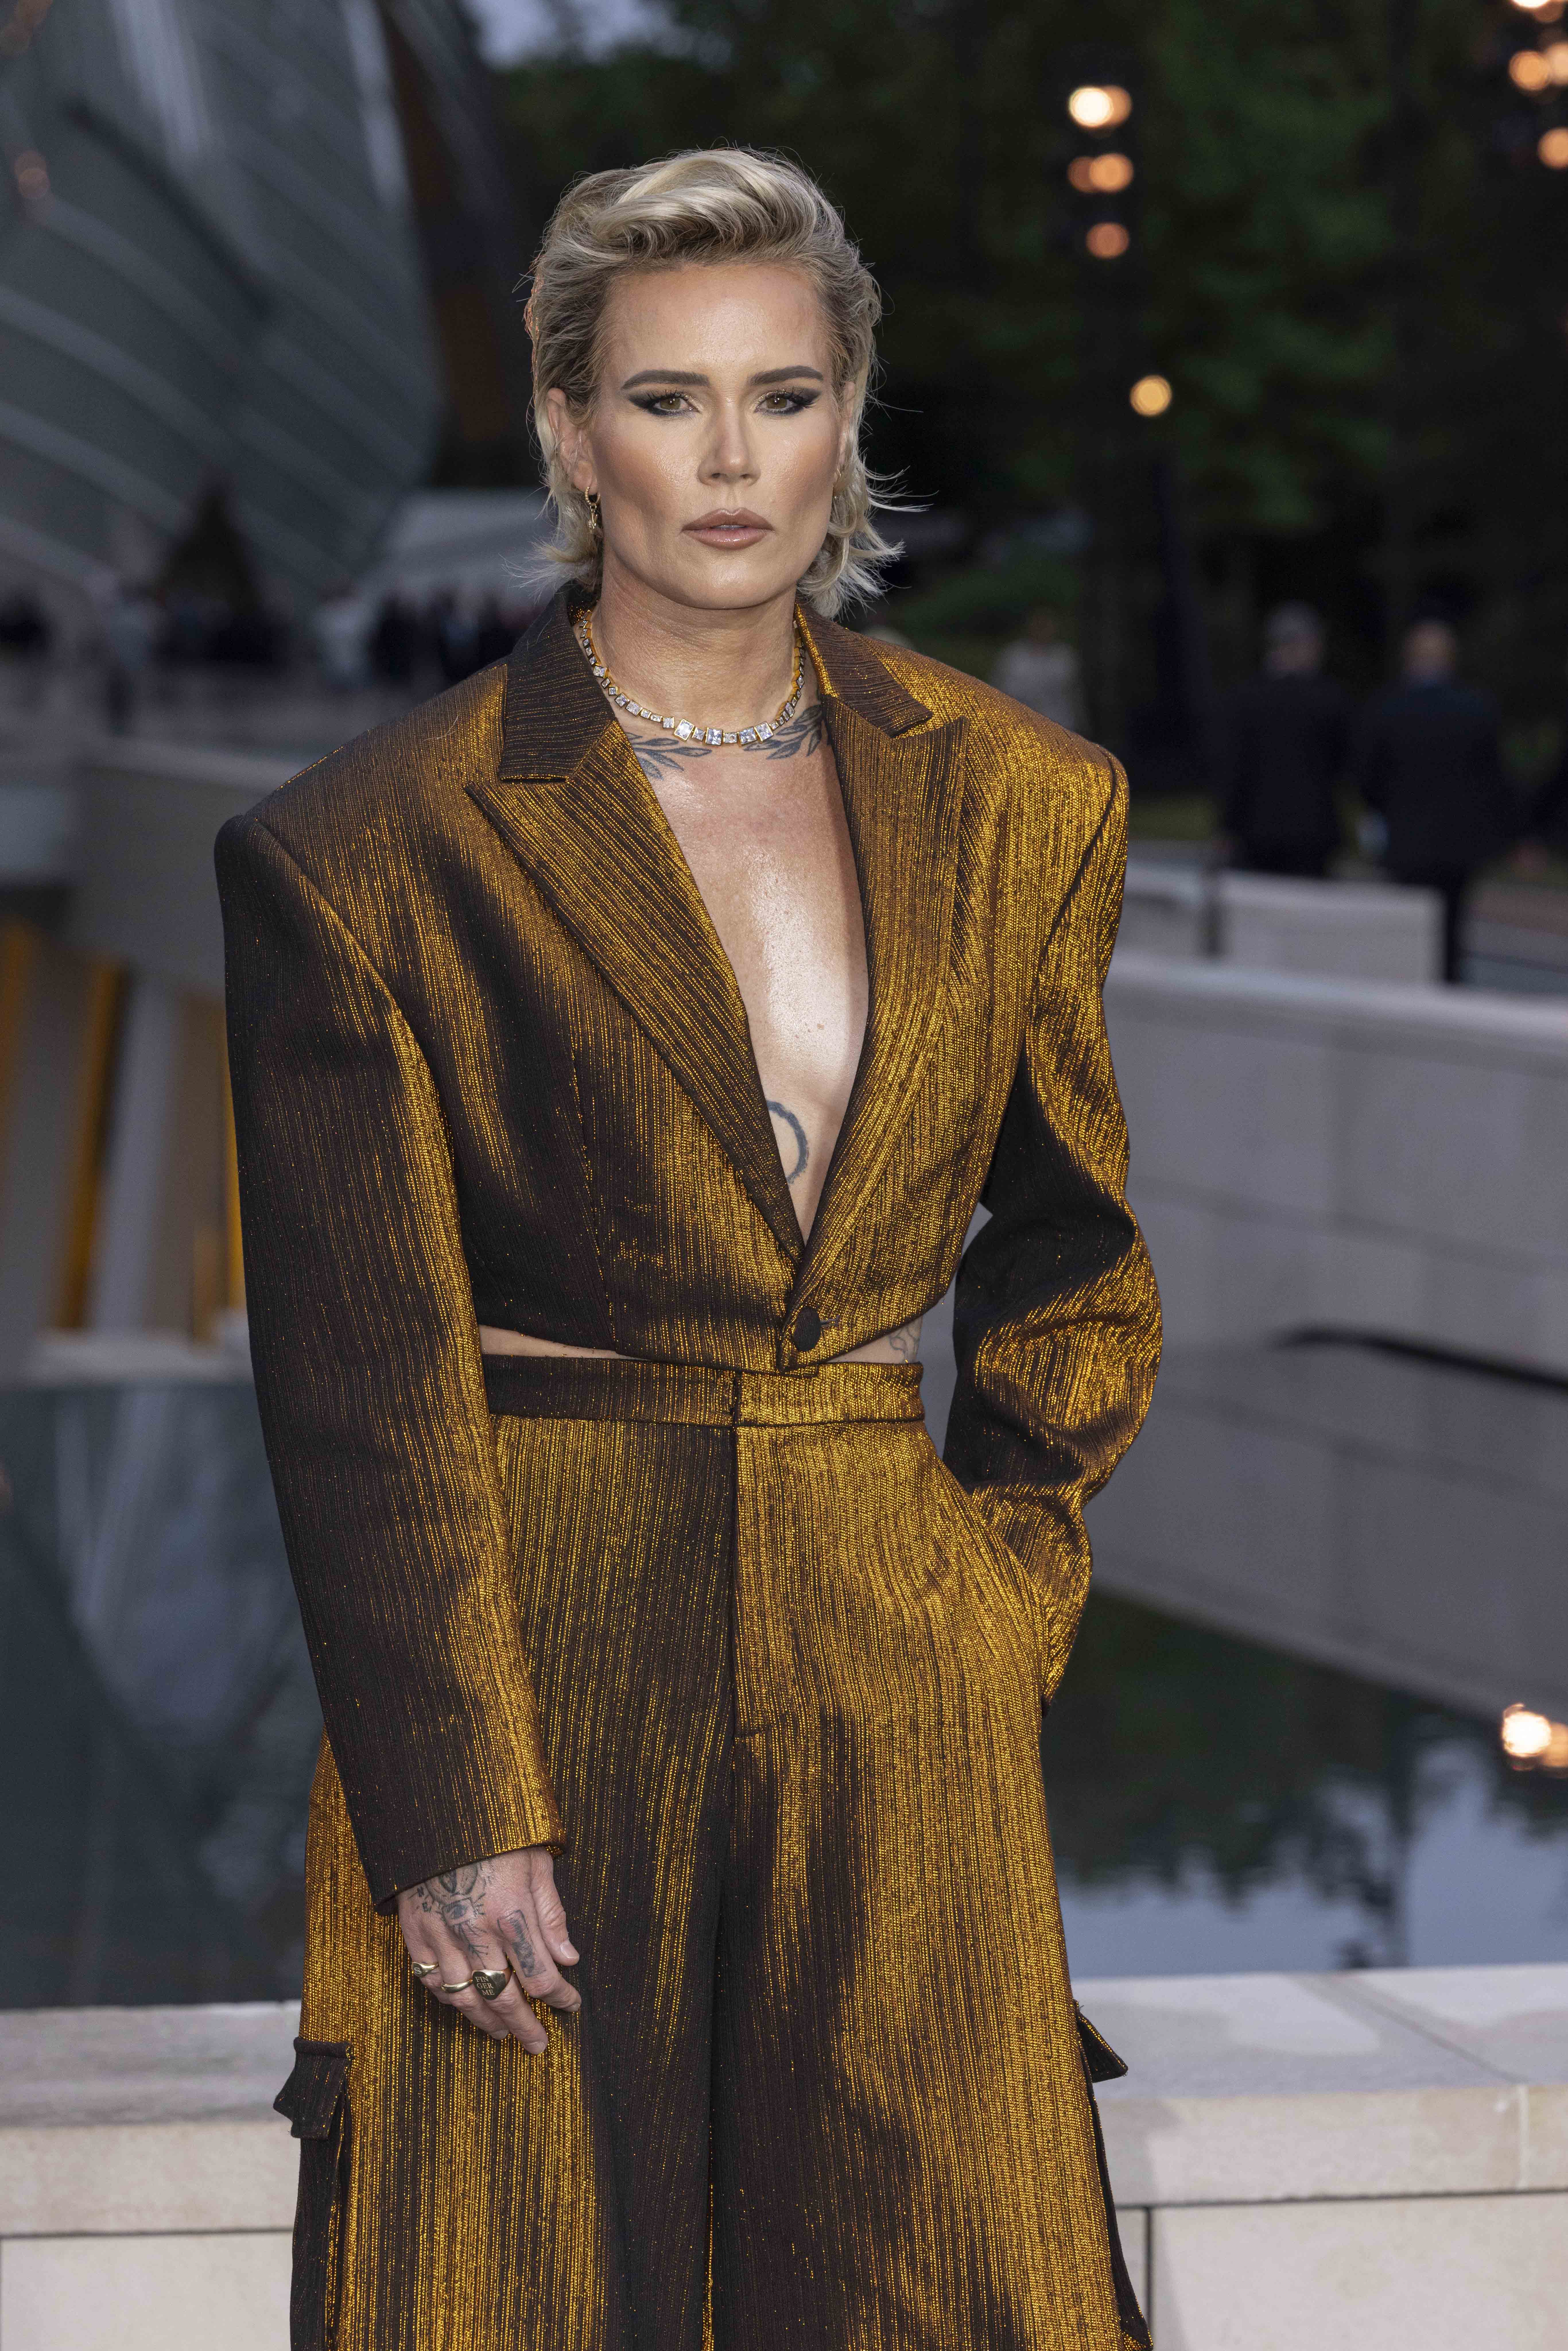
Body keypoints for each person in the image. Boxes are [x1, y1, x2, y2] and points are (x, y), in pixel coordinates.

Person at [219, 150, 1160, 2351]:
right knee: (531, 2285)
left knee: (951, 2284)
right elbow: (361, 1383)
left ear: (847, 417)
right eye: (663, 400)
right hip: (540, 1636)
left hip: (895, 1643)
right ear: (566, 433)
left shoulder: (1030, 800)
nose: (728, 461)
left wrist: (991, 1592)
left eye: (780, 393)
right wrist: (452, 1806)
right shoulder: (369, 851)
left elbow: (1071, 1254)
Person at [1354, 617, 1512, 982]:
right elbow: (1494, 780)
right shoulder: (1476, 708)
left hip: (1406, 840)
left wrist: (1384, 813)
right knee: (1451, 933)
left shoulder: (1387, 708)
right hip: (1459, 845)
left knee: (1406, 932)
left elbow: (1367, 777)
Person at [1213, 602, 1352, 878]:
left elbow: (1233, 768)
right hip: (1314, 832)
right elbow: (1344, 766)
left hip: (1256, 830)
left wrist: (1227, 827)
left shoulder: (1246, 699)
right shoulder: (1331, 700)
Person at [991, 603, 1085, 730]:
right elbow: (999, 694)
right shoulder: (1013, 657)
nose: (1042, 627)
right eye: (1038, 622)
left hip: (1062, 729)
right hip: (1021, 728)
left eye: (1047, 623)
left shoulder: (1065, 658)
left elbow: (1075, 697)